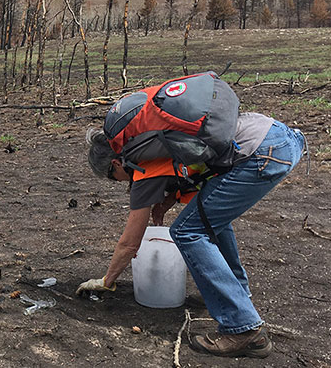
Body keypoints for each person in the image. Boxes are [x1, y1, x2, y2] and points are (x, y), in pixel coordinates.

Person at [78, 111, 306, 359]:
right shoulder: (153, 140)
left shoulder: (141, 164)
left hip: (259, 152)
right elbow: (197, 170)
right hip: (279, 137)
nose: (120, 182)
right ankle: (238, 296)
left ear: (115, 164)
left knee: (187, 231)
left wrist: (106, 281)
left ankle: (244, 329)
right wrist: (168, 201)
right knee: (209, 221)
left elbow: (130, 242)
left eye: (114, 178)